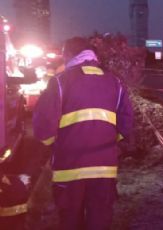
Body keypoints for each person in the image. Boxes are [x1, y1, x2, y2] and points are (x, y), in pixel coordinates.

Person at [32, 37, 134, 229]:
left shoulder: (60, 82)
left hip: (69, 169)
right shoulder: (115, 82)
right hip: (105, 168)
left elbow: (43, 127)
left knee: (70, 220)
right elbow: (126, 123)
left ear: (69, 54)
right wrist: (109, 143)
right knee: (100, 220)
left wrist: (55, 145)